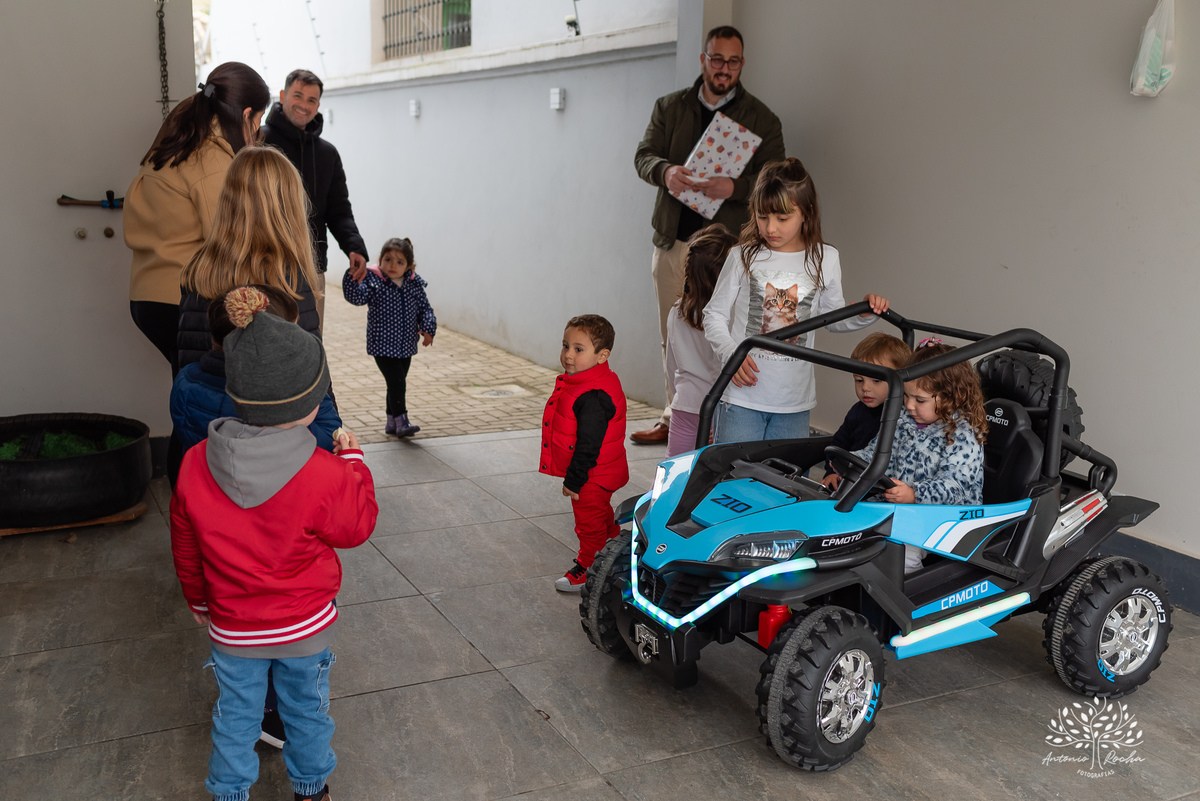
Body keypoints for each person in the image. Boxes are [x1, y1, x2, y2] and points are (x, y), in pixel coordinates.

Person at [170, 286, 377, 801]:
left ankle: (229, 791)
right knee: (305, 711)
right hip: (302, 625)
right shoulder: (323, 472)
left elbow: (185, 541)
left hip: (234, 628)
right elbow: (356, 528)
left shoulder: (196, 462)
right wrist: (354, 465)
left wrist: (197, 598)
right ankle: (310, 788)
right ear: (310, 403)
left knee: (234, 715)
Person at [632, 25, 786, 445]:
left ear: (742, 63)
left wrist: (734, 187)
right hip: (675, 242)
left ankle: (726, 420)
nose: (724, 69)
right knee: (675, 334)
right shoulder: (670, 107)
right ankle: (674, 415)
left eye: (733, 61)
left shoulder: (762, 118)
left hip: (729, 251)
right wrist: (666, 172)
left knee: (729, 333)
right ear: (703, 59)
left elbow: (777, 180)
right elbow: (643, 156)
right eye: (716, 59)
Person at [703, 158, 889, 444]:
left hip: (795, 403)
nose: (770, 228)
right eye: (762, 216)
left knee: (783, 483)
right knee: (733, 480)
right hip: (740, 398)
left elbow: (833, 319)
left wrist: (866, 313)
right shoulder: (742, 255)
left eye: (782, 218)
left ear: (807, 212)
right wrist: (731, 353)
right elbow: (713, 315)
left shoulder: (826, 258)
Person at [125, 62, 270, 372]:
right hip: (184, 301)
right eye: (259, 119)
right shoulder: (211, 159)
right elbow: (231, 243)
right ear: (246, 114)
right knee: (206, 398)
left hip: (148, 296)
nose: (258, 129)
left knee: (189, 389)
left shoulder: (175, 145)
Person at [177, 146, 323, 370]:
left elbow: (188, 361)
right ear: (289, 207)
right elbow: (312, 369)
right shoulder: (289, 277)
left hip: (204, 403)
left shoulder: (200, 268)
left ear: (228, 200)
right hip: (271, 405)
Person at [852, 340, 989, 573]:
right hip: (898, 507)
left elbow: (955, 487)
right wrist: (852, 461)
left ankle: (904, 594)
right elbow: (878, 452)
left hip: (944, 519)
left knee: (901, 552)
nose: (909, 405)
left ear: (951, 396)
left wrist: (915, 494)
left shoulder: (964, 434)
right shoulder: (904, 420)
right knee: (849, 526)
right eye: (906, 397)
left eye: (920, 400)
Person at [170, 284, 342, 454]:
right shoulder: (275, 400)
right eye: (291, 334)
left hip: (211, 476)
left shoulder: (185, 380)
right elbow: (329, 439)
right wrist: (312, 386)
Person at [261, 69, 368, 328]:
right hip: (264, 264)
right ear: (283, 95)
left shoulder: (327, 154)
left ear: (318, 105)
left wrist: (354, 247)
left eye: (312, 100)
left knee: (311, 344)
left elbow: (339, 210)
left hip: (312, 268)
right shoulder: (259, 141)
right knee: (267, 346)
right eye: (298, 96)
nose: (304, 105)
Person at [539, 315, 629, 592]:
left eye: (579, 349)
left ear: (602, 356)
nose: (568, 355)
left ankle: (590, 570)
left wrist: (574, 480)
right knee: (600, 513)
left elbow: (589, 445)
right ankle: (615, 548)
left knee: (588, 525)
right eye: (566, 346)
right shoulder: (585, 382)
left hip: (591, 475)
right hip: (602, 471)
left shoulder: (593, 394)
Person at [341, 237, 437, 437]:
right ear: (380, 259)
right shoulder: (375, 282)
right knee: (397, 382)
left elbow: (425, 309)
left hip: (406, 346)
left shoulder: (414, 285)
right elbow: (357, 297)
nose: (393, 265)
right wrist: (351, 277)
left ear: (409, 266)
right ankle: (402, 421)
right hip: (382, 346)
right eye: (388, 260)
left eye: (399, 262)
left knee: (395, 383)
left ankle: (391, 423)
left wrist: (428, 329)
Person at [664, 224, 738, 458]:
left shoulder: (677, 311)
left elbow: (671, 367)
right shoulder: (733, 315)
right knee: (712, 475)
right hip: (720, 409)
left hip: (684, 405)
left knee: (675, 471)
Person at [821, 333, 913, 490]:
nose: (865, 388)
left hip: (884, 487)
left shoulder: (905, 416)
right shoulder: (858, 411)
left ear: (900, 380)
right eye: (859, 380)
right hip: (850, 478)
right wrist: (831, 472)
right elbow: (839, 445)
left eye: (876, 381)